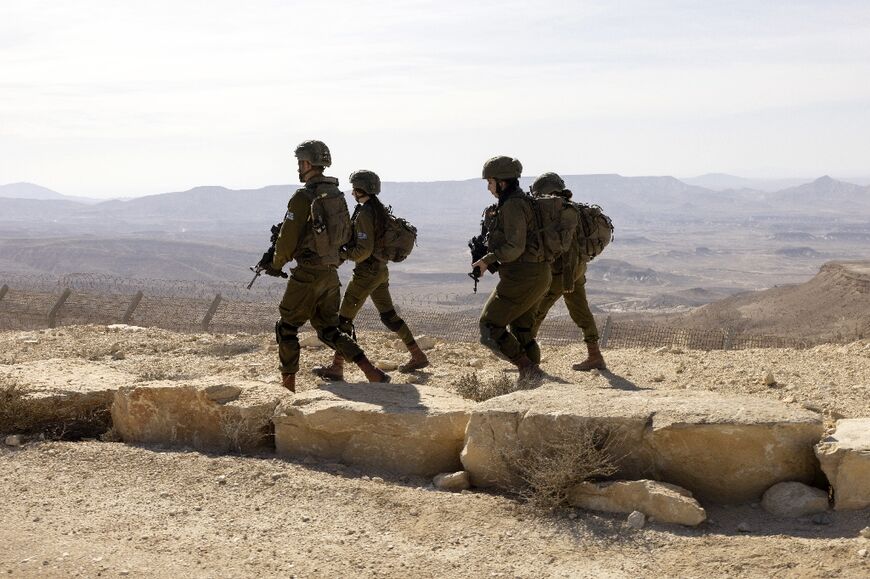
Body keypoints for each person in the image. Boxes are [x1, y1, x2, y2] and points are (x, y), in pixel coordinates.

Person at [263, 140, 390, 392]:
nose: (299, 167)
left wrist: (276, 264)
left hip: (307, 274)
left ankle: (288, 388)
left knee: (287, 328)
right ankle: (372, 371)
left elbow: (287, 239)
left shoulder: (303, 197)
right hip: (330, 273)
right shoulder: (335, 195)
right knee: (329, 330)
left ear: (308, 163)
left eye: (301, 162)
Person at [312, 169, 429, 380]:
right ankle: (417, 354)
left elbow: (364, 250)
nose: (351, 193)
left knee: (343, 321)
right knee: (389, 317)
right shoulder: (377, 208)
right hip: (380, 271)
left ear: (360, 189)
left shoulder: (365, 212)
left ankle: (338, 367)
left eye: (353, 188)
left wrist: (341, 253)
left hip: (367, 273)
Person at [472, 156, 552, 380]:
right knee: (522, 330)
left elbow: (515, 247)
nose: (489, 188)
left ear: (502, 182)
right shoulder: (519, 201)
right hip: (536, 273)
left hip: (524, 276)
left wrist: (487, 260)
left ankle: (528, 369)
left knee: (489, 326)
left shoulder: (513, 204)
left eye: (490, 182)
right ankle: (531, 383)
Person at [529, 172, 605, 371]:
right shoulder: (573, 209)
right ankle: (595, 354)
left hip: (564, 271)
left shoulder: (560, 212)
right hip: (578, 267)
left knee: (537, 309)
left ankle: (527, 359)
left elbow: (567, 246)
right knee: (581, 309)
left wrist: (567, 279)